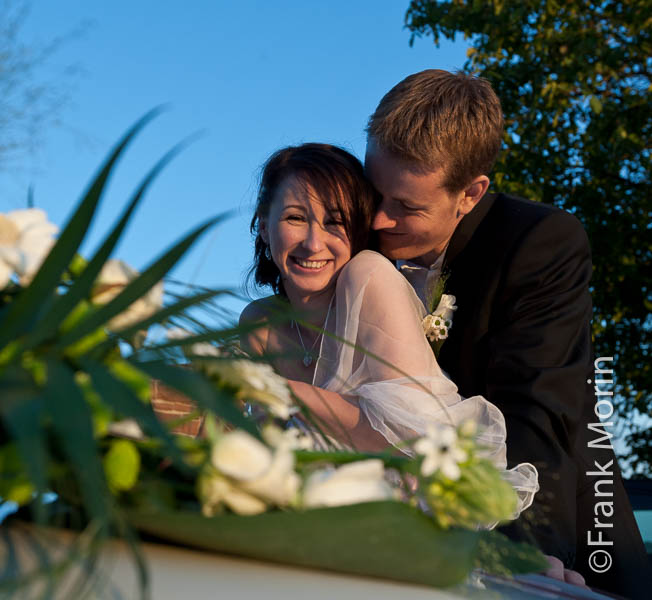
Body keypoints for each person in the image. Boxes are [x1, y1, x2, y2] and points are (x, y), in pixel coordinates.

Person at [363, 69, 650, 597]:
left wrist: (508, 544)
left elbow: (536, 415)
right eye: (373, 189)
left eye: (406, 206)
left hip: (555, 537)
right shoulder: (361, 238)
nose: (378, 219)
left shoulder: (538, 244)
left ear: (469, 194)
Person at [239, 143, 538, 516]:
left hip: (418, 517)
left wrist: (291, 393)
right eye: (295, 218)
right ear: (265, 226)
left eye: (335, 222)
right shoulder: (259, 323)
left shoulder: (369, 278)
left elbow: (415, 443)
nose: (314, 243)